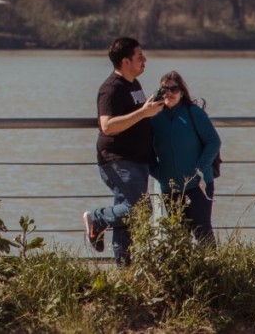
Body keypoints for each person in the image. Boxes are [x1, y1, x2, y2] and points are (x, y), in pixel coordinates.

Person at [82, 37, 164, 267]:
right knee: (139, 209)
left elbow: (138, 114)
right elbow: (107, 125)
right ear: (126, 61)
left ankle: (124, 269)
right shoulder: (111, 89)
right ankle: (97, 218)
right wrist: (143, 113)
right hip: (118, 160)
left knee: (127, 219)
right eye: (140, 56)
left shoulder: (133, 85)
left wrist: (152, 108)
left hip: (138, 159)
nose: (145, 60)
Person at [150, 70, 221, 247]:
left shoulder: (193, 112)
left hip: (198, 185)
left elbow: (214, 141)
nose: (169, 94)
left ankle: (214, 272)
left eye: (174, 89)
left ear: (182, 92)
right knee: (177, 238)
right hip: (170, 187)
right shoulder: (154, 117)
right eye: (164, 90)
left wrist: (199, 169)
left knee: (202, 232)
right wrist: (157, 173)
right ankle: (183, 274)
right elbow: (145, 149)